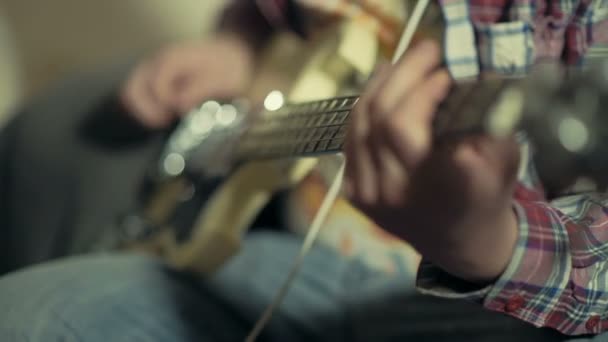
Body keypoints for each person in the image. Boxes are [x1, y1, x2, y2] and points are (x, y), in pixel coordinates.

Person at [0, 0, 607, 341]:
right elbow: (276, 13)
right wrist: (237, 47)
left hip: (485, 311)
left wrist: (486, 246)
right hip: (274, 241)